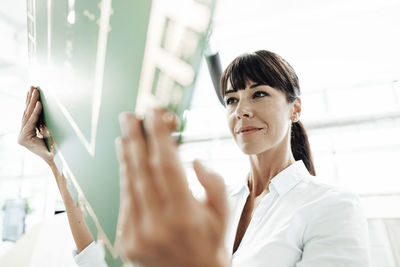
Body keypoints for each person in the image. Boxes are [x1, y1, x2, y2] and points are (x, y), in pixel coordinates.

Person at [19, 50, 371, 267]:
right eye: (231, 100)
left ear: (295, 108)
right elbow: (101, 262)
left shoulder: (333, 206)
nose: (242, 110)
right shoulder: (215, 207)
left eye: (259, 94)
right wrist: (56, 162)